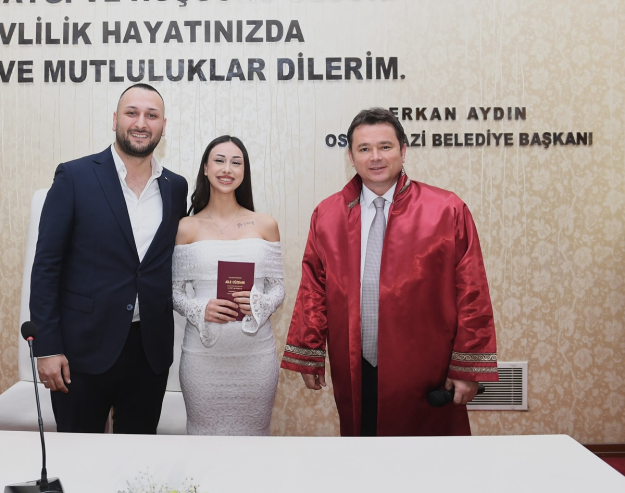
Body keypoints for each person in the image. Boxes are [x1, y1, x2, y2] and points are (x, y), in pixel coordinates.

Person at [281, 107, 498, 437]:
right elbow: (314, 288)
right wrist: (309, 352)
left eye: (385, 146)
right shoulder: (328, 215)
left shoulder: (446, 210)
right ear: (351, 157)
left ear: (403, 150)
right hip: (354, 366)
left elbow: (472, 292)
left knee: (428, 457)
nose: (375, 157)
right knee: (363, 454)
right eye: (364, 149)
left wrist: (466, 367)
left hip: (426, 366)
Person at [30, 83, 188, 434]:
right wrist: (47, 347)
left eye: (152, 115)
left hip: (149, 353)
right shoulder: (74, 177)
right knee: (78, 457)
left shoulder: (175, 187)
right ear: (115, 119)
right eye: (132, 113)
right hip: (81, 350)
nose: (141, 123)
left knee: (138, 459)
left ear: (163, 126)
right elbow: (46, 267)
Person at [171, 135, 285, 435]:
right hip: (202, 358)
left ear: (244, 171)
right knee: (203, 443)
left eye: (236, 162)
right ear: (205, 168)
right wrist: (201, 309)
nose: (227, 169)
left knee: (253, 442)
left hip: (256, 359)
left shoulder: (266, 224)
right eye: (219, 161)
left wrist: (259, 303)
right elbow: (174, 292)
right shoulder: (186, 227)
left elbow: (278, 288)